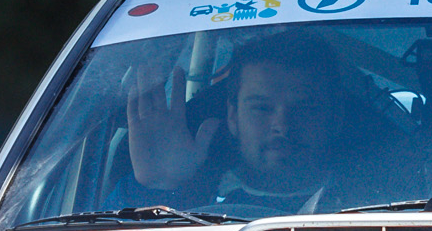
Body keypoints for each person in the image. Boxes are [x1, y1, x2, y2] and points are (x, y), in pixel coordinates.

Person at [125, 30, 395, 211]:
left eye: (304, 108)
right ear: (233, 116)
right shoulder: (186, 201)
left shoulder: (385, 204)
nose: (282, 125)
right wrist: (159, 187)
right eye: (262, 108)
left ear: (336, 117)